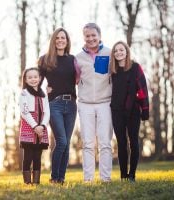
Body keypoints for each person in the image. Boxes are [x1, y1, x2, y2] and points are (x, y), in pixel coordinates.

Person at [38, 28, 78, 184]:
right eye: (58, 38)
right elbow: (35, 83)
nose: (60, 40)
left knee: (66, 143)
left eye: (64, 38)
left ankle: (61, 178)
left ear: (67, 41)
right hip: (54, 104)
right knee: (61, 141)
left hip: (72, 105)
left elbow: (84, 76)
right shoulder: (45, 59)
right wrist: (43, 92)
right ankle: (54, 178)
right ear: (53, 40)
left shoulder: (73, 60)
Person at [75, 23, 113, 183]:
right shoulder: (77, 58)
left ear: (99, 36)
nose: (90, 39)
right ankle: (88, 179)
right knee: (88, 143)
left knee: (105, 142)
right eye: (87, 36)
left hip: (105, 103)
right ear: (84, 37)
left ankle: (105, 178)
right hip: (85, 104)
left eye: (93, 35)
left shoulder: (110, 53)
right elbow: (72, 79)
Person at [110, 41, 149, 182]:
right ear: (113, 54)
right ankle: (123, 175)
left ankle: (132, 175)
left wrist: (145, 109)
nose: (118, 52)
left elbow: (143, 89)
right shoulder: (112, 71)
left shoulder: (135, 68)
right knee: (121, 143)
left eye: (121, 50)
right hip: (116, 111)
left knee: (133, 142)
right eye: (116, 51)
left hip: (133, 110)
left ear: (126, 51)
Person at [19, 67, 50, 184]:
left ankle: (36, 182)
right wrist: (34, 126)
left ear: (40, 78)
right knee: (28, 157)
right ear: (26, 80)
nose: (33, 79)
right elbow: (25, 111)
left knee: (37, 156)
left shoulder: (44, 95)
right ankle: (27, 182)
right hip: (29, 127)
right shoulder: (24, 94)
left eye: (35, 77)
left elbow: (47, 111)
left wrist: (42, 126)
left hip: (41, 128)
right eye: (30, 77)